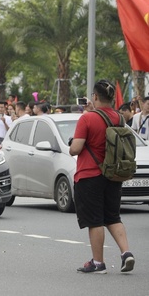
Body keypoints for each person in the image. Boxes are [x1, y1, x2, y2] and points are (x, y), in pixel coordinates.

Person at [69, 79, 135, 274]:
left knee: (95, 220)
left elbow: (76, 148)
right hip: (113, 174)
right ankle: (126, 253)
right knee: (113, 216)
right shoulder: (119, 118)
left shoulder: (87, 119)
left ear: (95, 96)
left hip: (90, 175)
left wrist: (72, 145)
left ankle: (98, 263)